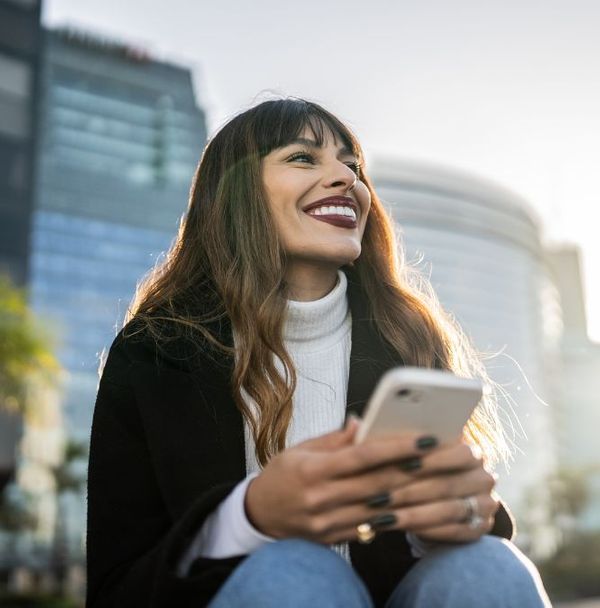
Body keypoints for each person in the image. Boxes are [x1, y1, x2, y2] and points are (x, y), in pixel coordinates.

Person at [86, 97, 551, 607]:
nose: (345, 179)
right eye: (303, 158)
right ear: (236, 192)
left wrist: (453, 515)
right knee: (294, 570)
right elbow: (117, 588)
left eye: (352, 167)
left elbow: (443, 535)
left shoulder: (407, 337)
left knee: (486, 566)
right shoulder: (154, 353)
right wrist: (248, 518)